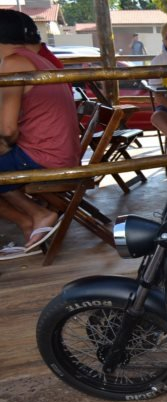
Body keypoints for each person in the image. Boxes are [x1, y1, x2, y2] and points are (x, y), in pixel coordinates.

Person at [0, 9, 79, 256]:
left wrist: (5, 146)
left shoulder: (13, 63)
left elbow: (7, 130)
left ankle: (35, 215)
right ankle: (29, 222)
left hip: (47, 158)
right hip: (61, 153)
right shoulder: (38, 59)